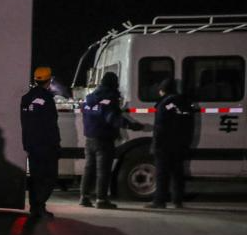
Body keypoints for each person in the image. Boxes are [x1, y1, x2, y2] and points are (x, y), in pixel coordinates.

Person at [79, 71, 144, 209]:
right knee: (103, 170)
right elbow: (112, 118)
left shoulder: (89, 98)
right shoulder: (109, 98)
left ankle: (84, 197)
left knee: (89, 169)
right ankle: (101, 200)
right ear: (113, 84)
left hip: (89, 138)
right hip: (104, 139)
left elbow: (86, 113)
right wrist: (132, 126)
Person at [20, 66, 61, 219]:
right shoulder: (47, 99)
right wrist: (56, 144)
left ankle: (35, 208)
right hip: (46, 145)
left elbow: (25, 122)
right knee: (49, 177)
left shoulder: (26, 98)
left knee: (36, 177)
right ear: (49, 80)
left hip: (31, 144)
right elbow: (51, 124)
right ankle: (40, 206)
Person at [147, 77, 194, 209]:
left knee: (162, 174)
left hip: (165, 145)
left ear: (163, 90)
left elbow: (160, 126)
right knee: (177, 173)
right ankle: (177, 201)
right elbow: (190, 125)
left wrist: (156, 145)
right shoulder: (185, 102)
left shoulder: (165, 104)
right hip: (180, 144)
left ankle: (159, 201)